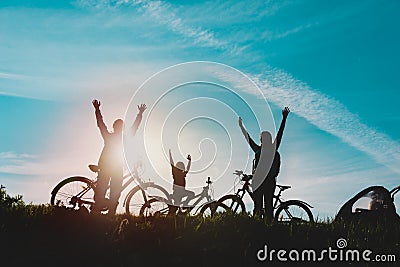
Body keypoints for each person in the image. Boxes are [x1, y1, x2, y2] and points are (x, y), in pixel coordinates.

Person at [92, 99, 147, 215]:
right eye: (119, 126)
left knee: (111, 191)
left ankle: (106, 213)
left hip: (113, 167)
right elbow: (101, 124)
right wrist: (97, 110)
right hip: (110, 167)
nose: (119, 128)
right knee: (111, 191)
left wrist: (140, 114)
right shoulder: (119, 138)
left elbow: (101, 125)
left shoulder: (115, 137)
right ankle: (104, 213)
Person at [238, 107, 290, 221]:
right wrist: (284, 118)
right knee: (267, 207)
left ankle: (259, 228)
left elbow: (248, 139)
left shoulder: (260, 150)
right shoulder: (272, 149)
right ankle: (268, 228)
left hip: (260, 181)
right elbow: (280, 134)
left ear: (262, 140)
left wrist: (241, 126)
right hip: (268, 181)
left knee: (259, 207)